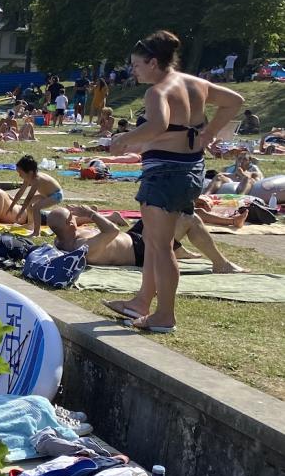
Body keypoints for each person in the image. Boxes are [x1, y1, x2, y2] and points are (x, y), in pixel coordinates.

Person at [105, 30, 245, 333]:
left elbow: (158, 124)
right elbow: (235, 101)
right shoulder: (195, 83)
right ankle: (141, 302)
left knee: (161, 246)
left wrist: (123, 140)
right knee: (157, 245)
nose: (134, 70)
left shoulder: (157, 91)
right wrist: (209, 132)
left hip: (166, 174)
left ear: (153, 62)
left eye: (137, 65)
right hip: (191, 170)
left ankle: (164, 316)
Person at [47, 206, 241, 272]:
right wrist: (91, 214)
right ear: (70, 225)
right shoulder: (83, 246)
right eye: (72, 217)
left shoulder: (61, 240)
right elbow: (112, 232)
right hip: (141, 250)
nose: (76, 218)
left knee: (169, 208)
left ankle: (178, 249)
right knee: (189, 217)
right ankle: (220, 264)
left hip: (133, 237)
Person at [10, 155, 64, 234]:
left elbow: (28, 197)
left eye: (20, 173)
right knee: (29, 204)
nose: (19, 175)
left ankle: (36, 232)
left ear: (30, 172)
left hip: (56, 195)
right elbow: (20, 192)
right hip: (46, 195)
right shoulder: (28, 177)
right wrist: (11, 206)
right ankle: (30, 225)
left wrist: (21, 212)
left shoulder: (36, 180)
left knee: (36, 208)